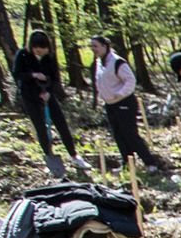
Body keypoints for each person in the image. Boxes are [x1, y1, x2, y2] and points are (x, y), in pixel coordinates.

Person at [89, 36, 169, 175]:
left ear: (104, 46)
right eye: (91, 46)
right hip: (110, 104)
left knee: (130, 134)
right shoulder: (98, 62)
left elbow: (130, 80)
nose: (93, 49)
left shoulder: (117, 62)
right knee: (118, 134)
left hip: (124, 103)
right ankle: (127, 163)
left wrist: (119, 94)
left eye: (95, 46)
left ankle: (150, 163)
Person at [13, 30, 87, 178]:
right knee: (40, 127)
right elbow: (17, 74)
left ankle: (74, 155)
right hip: (30, 96)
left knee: (61, 124)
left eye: (43, 48)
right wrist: (33, 75)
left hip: (47, 95)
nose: (40, 51)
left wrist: (48, 92)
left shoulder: (50, 58)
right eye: (36, 48)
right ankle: (49, 155)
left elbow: (55, 78)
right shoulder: (22, 55)